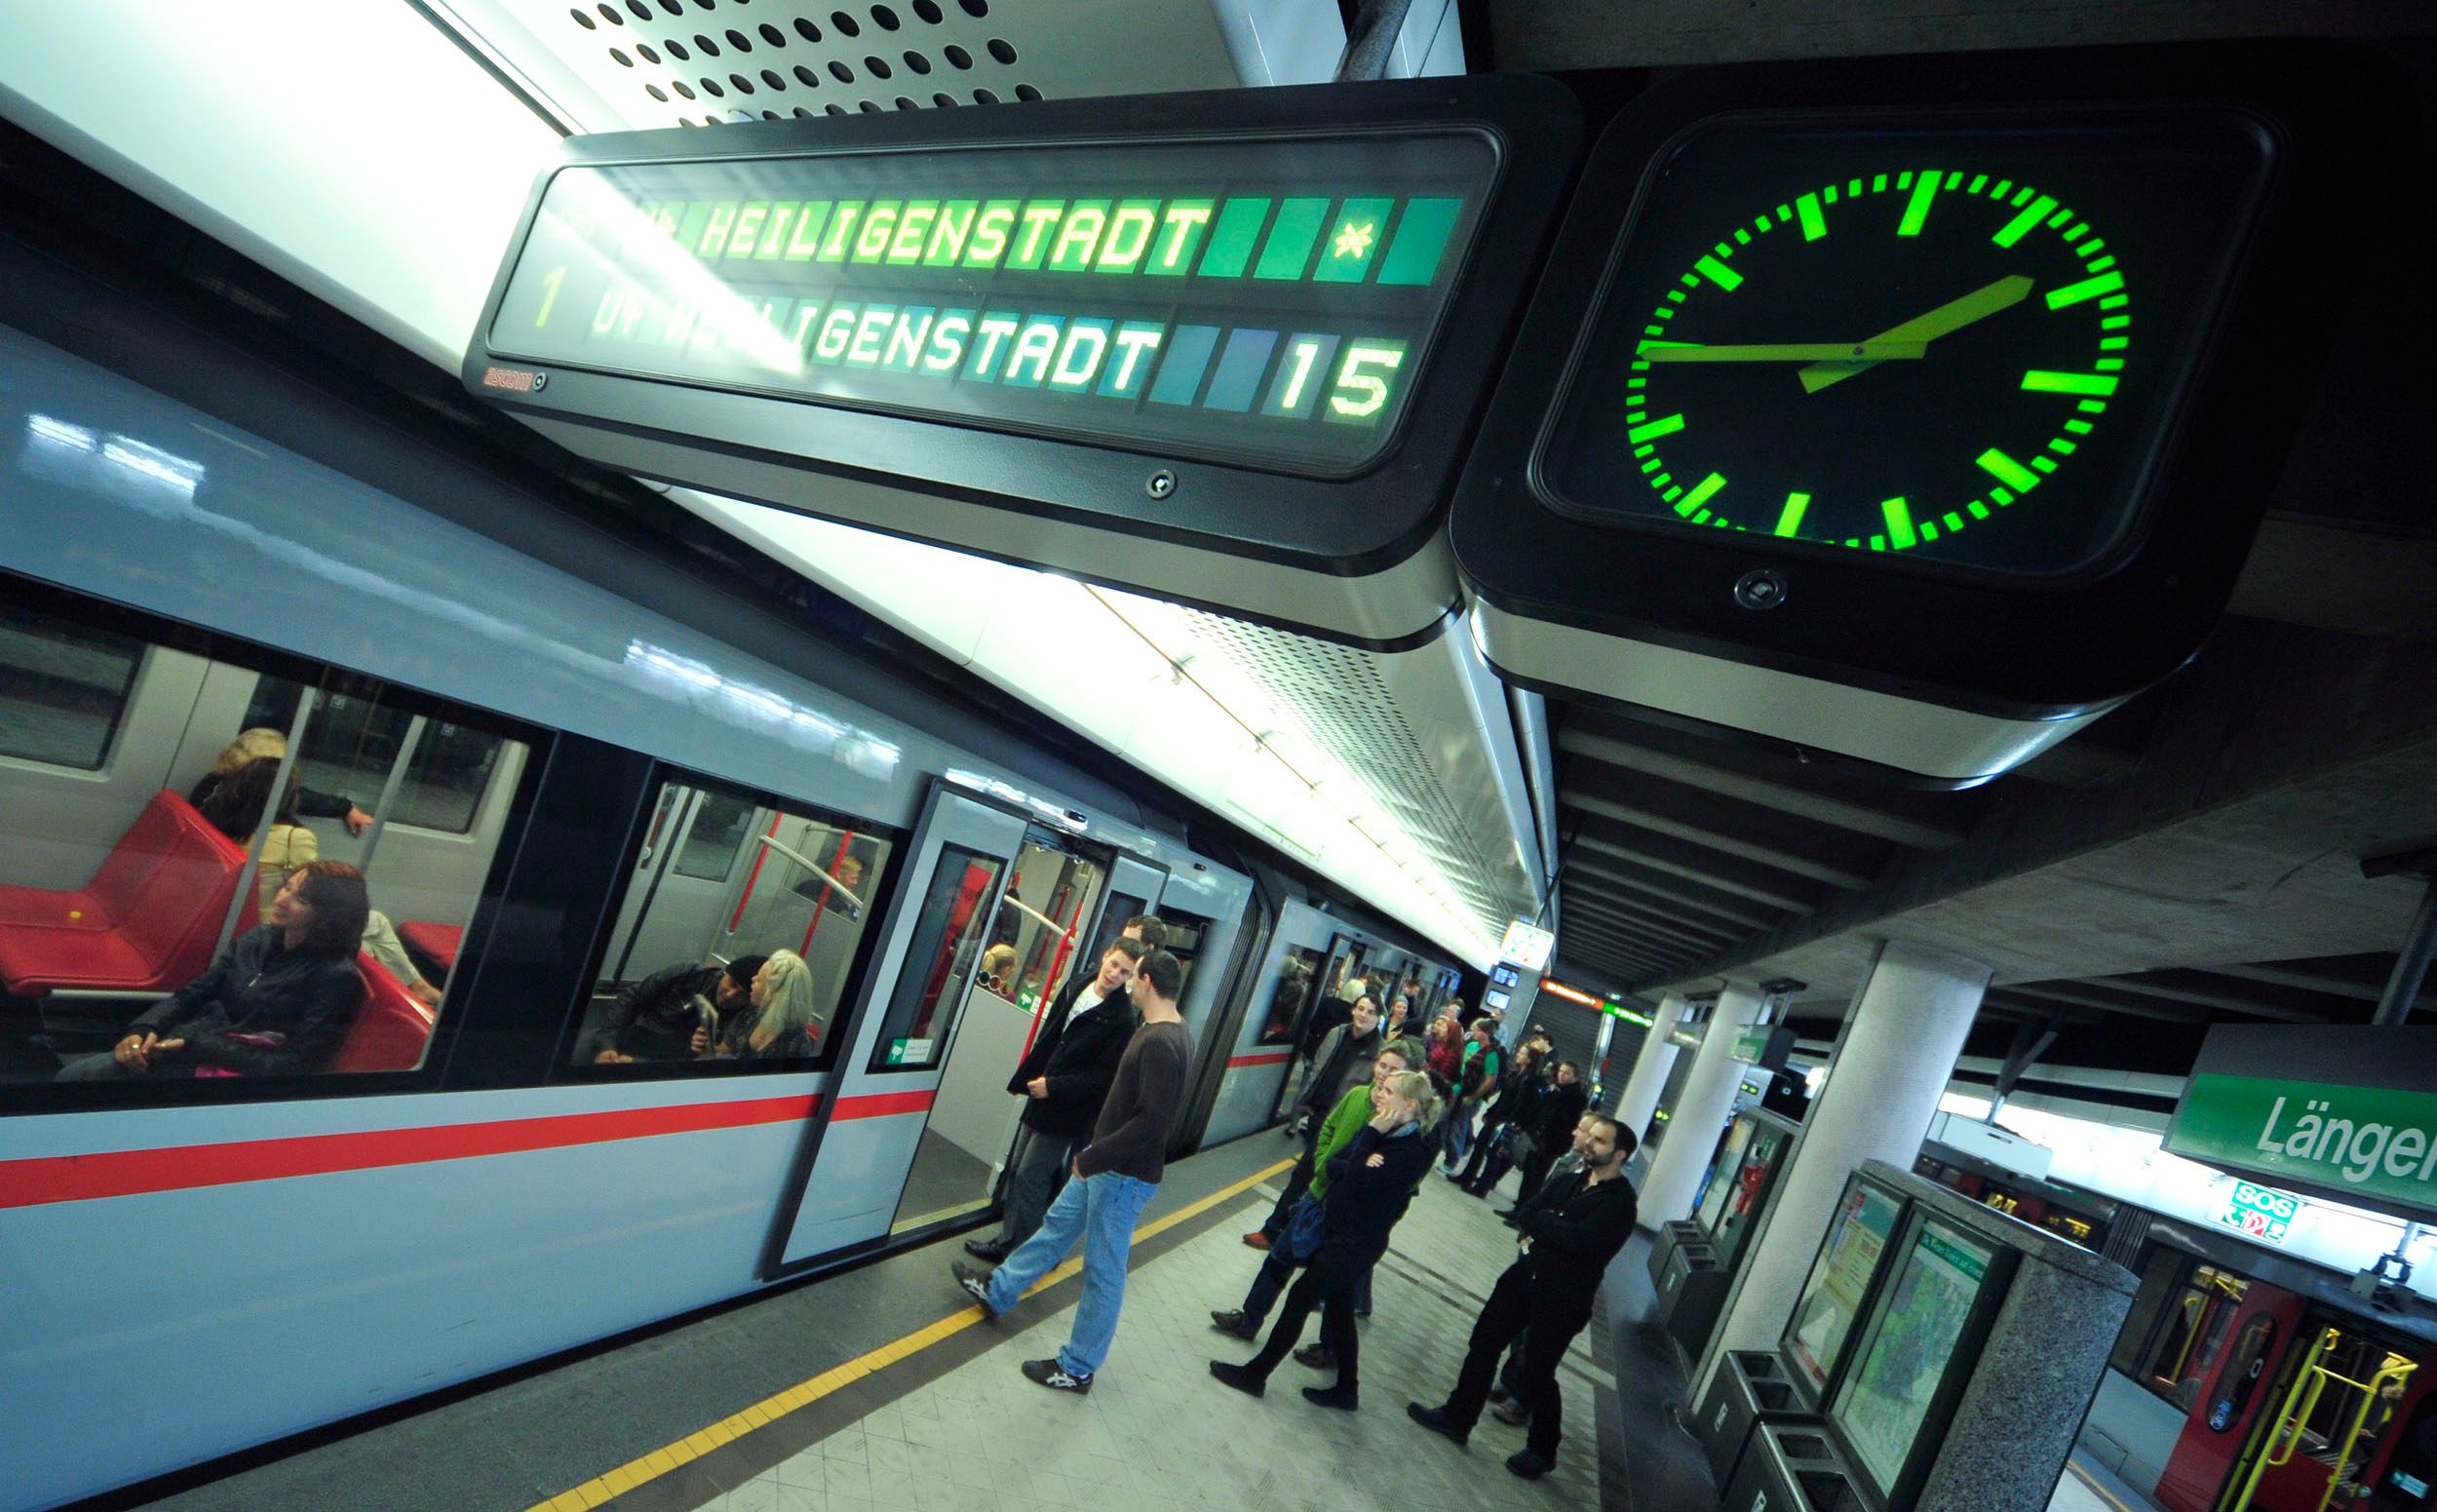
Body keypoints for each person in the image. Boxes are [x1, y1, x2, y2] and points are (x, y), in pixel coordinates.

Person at [951, 948, 1192, 1394]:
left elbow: (1151, 1122)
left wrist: (1093, 1157)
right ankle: (1000, 1288)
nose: (1130, 985)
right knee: (1055, 1229)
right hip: (1106, 1166)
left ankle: (1079, 1366)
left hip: (1121, 1176)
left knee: (1103, 1270)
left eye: (1134, 977)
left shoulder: (1160, 1042)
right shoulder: (1171, 1030)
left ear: (1147, 983)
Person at [1408, 1114, 1640, 1479]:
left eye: (1599, 1140)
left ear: (1620, 1153)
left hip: (1563, 1298)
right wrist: (1553, 1226)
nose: (1589, 1143)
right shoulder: (1570, 1180)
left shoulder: (1620, 1205)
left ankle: (1542, 1450)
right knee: (1484, 1342)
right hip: (1524, 1278)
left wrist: (1548, 1225)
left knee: (1537, 1372)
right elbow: (1529, 1212)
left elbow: (1581, 1245)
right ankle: (1457, 1417)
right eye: (1589, 1136)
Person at [1209, 1068, 1440, 1412]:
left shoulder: (1410, 1150)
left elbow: (1358, 1175)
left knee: (1300, 1297)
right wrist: (1363, 1152)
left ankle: (1255, 1375)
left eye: (1388, 1091)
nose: (1380, 1095)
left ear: (1407, 1103)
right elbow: (1335, 1164)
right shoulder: (1386, 1132)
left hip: (1353, 1246)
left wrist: (1367, 1142)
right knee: (1340, 1309)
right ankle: (1348, 1390)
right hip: (1340, 1236)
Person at [57, 862, 370, 1080]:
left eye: (299, 898)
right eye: (286, 887)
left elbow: (296, 1064)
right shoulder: (258, 938)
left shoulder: (335, 978)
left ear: (329, 915)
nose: (281, 899)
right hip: (193, 1043)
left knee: (81, 1078)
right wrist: (142, 1029)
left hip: (232, 1072)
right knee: (81, 1075)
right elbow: (194, 993)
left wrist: (196, 1045)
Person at [1212, 1037, 1424, 1347]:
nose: (1383, 1075)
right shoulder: (1356, 1096)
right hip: (1317, 1196)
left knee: (1331, 1288)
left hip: (1344, 1215)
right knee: (1279, 1257)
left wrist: (1344, 1166)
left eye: (1393, 1071)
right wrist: (1324, 1161)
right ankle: (1249, 1318)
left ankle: (1327, 1348)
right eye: (1382, 1065)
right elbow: (1328, 1128)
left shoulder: (1394, 1125)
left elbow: (1363, 1173)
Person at [198, 756, 443, 1008]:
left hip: (236, 918)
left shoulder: (222, 821)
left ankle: (414, 989)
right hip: (272, 924)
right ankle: (414, 989)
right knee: (374, 926)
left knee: (371, 937)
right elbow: (322, 893)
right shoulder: (294, 837)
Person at [963, 936, 1144, 1260]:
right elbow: (1052, 1036)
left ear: (1130, 979)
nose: (1115, 974)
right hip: (1040, 1092)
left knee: (1033, 1175)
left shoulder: (1121, 1020)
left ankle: (1028, 1256)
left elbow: (1101, 1079)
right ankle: (1012, 1242)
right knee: (1018, 1169)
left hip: (1067, 1111)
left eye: (1124, 972)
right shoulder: (1078, 984)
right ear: (1105, 956)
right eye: (1114, 964)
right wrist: (1030, 1078)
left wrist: (1054, 1086)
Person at [1247, 994, 1383, 1250]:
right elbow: (1318, 1066)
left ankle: (1273, 1231)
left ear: (1378, 1018)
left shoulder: (1378, 1054)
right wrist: (1306, 1100)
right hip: (1318, 1114)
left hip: (1342, 1124)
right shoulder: (1337, 1033)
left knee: (1304, 1175)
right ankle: (1295, 1235)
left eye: (1371, 1012)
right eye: (1360, 1008)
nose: (1363, 1015)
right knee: (1310, 1177)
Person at [187, 727, 374, 836]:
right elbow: (299, 798)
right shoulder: (242, 795)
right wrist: (345, 807)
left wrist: (345, 807)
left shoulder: (214, 782)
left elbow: (299, 796)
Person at [589, 953, 765, 1064]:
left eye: (742, 995)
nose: (729, 995)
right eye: (731, 983)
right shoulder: (690, 974)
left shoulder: (741, 1023)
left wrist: (639, 1063)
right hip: (629, 1039)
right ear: (725, 973)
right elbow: (632, 997)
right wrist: (607, 1046)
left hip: (665, 1068)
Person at [1455, 1045, 1547, 1196]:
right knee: (1480, 1146)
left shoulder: (1529, 1080)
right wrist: (1491, 1112)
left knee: (1494, 1153)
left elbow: (1523, 1104)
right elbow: (1504, 1097)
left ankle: (1482, 1186)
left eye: (1522, 1053)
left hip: (1507, 1121)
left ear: (1529, 1060)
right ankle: (1467, 1176)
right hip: (1497, 1117)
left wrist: (1513, 1121)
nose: (1518, 1054)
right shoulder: (1516, 1075)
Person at [712, 950, 822, 1060]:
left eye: (759, 979)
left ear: (773, 993)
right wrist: (706, 1047)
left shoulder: (796, 1045)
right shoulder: (751, 1012)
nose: (752, 980)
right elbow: (724, 1049)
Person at [1515, 1062, 1590, 1205]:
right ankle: (1519, 1205)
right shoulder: (1554, 1089)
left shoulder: (1577, 1097)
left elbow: (1567, 1118)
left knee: (1537, 1176)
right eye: (1561, 1071)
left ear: (1575, 1077)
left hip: (1553, 1142)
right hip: (1538, 1137)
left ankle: (1525, 1209)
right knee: (1528, 1173)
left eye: (1566, 1073)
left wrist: (1556, 1097)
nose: (1561, 1075)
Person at [1438, 1020, 1504, 1173]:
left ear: (1485, 1033)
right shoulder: (1471, 1046)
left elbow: (1490, 1080)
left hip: (1471, 1095)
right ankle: (1449, 1145)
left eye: (1477, 1029)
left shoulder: (1491, 1055)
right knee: (1444, 1119)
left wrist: (1473, 1097)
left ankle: (1452, 1160)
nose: (1474, 1031)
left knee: (1459, 1126)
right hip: (1457, 1088)